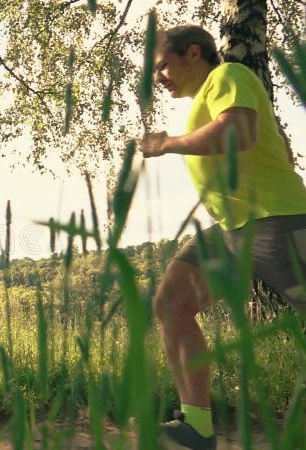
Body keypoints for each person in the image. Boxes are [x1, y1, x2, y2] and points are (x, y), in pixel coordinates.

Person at [140, 24, 306, 450]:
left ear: (193, 53)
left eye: (163, 66)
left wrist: (169, 144)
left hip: (278, 220)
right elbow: (276, 147)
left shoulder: (228, 77)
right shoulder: (206, 100)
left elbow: (240, 133)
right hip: (233, 229)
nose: (160, 77)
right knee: (171, 303)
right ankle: (196, 426)